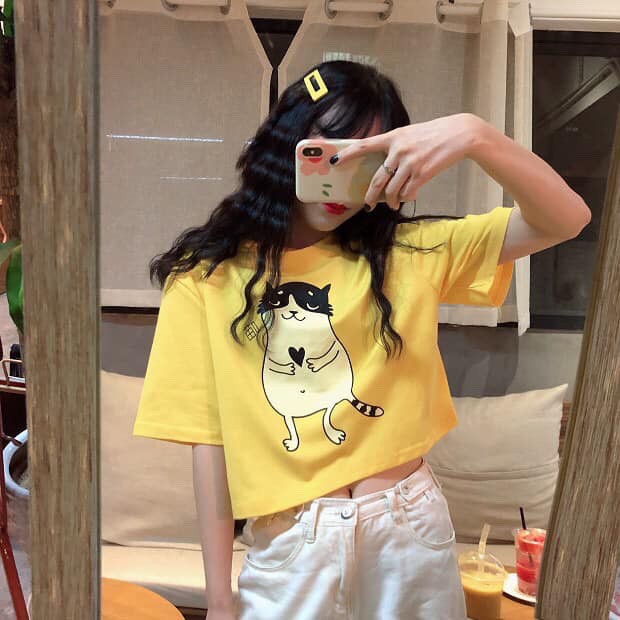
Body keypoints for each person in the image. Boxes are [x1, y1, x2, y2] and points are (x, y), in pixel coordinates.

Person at [132, 60, 589, 619]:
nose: (344, 180)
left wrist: (474, 134)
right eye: (328, 153)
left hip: (409, 529)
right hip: (292, 542)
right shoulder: (206, 273)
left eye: (369, 160)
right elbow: (210, 442)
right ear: (287, 146)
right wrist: (220, 600)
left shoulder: (414, 251)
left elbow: (566, 219)